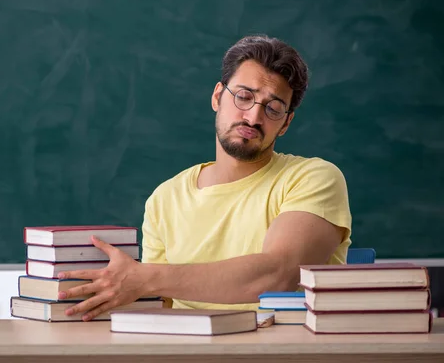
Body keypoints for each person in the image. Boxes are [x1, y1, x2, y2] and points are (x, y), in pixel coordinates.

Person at [57, 34, 352, 321]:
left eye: (273, 108)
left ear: (286, 123)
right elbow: (158, 310)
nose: (253, 117)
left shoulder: (313, 178)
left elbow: (278, 275)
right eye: (244, 97)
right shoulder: (165, 199)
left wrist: (145, 277)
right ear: (217, 96)